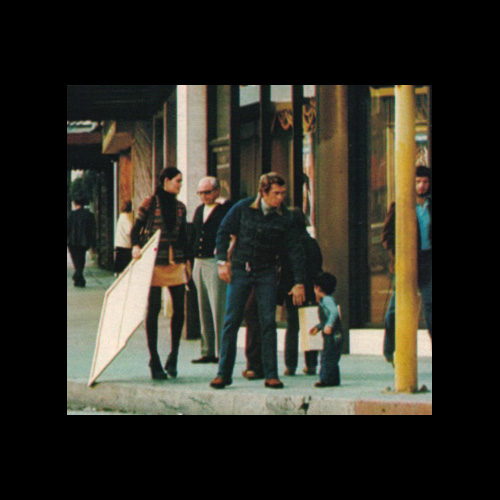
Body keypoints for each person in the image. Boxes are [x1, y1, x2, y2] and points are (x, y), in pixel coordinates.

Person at [210, 172, 306, 390]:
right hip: (240, 270)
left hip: (266, 272)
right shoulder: (243, 208)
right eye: (276, 193)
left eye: (283, 193)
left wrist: (299, 281)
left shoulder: (286, 217)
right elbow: (223, 231)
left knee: (268, 322)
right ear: (263, 192)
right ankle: (223, 374)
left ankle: (271, 375)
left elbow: (295, 250)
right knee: (231, 321)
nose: (280, 198)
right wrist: (221, 262)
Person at [130, 167, 190, 380]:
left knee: (179, 309)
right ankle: (154, 359)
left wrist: (187, 262)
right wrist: (135, 247)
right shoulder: (149, 203)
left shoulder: (181, 208)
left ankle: (173, 356)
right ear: (165, 181)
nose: (180, 185)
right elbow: (135, 230)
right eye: (177, 181)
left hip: (175, 262)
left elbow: (183, 237)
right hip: (153, 262)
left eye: (181, 181)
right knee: (154, 308)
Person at [382, 165, 432, 364]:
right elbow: (386, 236)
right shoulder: (400, 205)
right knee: (396, 308)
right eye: (418, 182)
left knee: (430, 304)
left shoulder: (429, 205)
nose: (422, 186)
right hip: (407, 261)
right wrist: (399, 256)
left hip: (428, 261)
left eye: (425, 182)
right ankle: (389, 348)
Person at [191, 177, 232, 364]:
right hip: (198, 261)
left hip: (214, 261)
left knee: (218, 307)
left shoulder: (224, 209)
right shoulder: (199, 210)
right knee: (203, 307)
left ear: (216, 191)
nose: (203, 196)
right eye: (200, 193)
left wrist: (225, 259)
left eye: (207, 192)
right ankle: (207, 350)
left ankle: (221, 351)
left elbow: (231, 235)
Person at [278, 208, 323, 376]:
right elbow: (317, 266)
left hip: (292, 288)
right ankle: (311, 364)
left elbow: (285, 269)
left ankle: (290, 365)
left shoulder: (286, 243)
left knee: (292, 326)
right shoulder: (311, 242)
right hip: (310, 288)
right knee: (310, 323)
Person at [310, 272, 343, 387]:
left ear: (318, 288)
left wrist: (329, 325)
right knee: (332, 357)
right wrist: (318, 327)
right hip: (333, 334)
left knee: (327, 356)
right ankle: (334, 379)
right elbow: (327, 317)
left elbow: (333, 312)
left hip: (333, 335)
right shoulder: (326, 300)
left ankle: (325, 379)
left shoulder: (327, 300)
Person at [67, 197, 96, 288]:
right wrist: (92, 242)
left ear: (75, 203)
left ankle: (78, 276)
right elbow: (92, 229)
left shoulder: (71, 215)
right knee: (81, 259)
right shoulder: (89, 215)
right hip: (84, 241)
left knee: (75, 260)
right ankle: (79, 278)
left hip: (72, 241)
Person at [114, 200, 133, 274]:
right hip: (125, 245)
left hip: (119, 243)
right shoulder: (126, 217)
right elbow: (129, 231)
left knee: (119, 264)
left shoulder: (121, 216)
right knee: (125, 266)